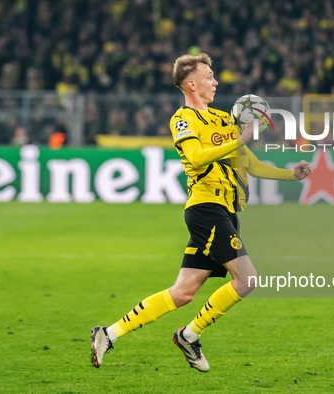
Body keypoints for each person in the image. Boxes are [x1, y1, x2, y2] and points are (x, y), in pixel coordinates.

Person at [90, 53, 312, 372]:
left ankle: (108, 334)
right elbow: (195, 158)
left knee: (182, 293)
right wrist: (239, 141)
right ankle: (189, 335)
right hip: (206, 210)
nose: (216, 81)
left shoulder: (222, 119)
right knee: (247, 280)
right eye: (209, 76)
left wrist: (292, 175)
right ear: (192, 83)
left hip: (225, 211)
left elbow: (250, 163)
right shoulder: (183, 119)